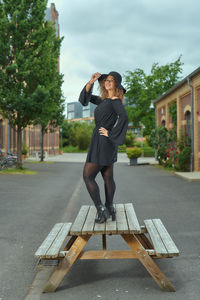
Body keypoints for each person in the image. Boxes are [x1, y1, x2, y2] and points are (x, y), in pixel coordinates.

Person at [79, 71, 128, 223]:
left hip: (102, 141)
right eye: (106, 80)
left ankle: (101, 210)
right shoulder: (104, 100)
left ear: (116, 85)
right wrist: (91, 81)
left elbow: (124, 117)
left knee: (88, 176)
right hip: (105, 143)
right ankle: (110, 207)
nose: (107, 82)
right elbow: (84, 100)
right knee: (108, 177)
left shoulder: (115, 101)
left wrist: (110, 133)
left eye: (111, 80)